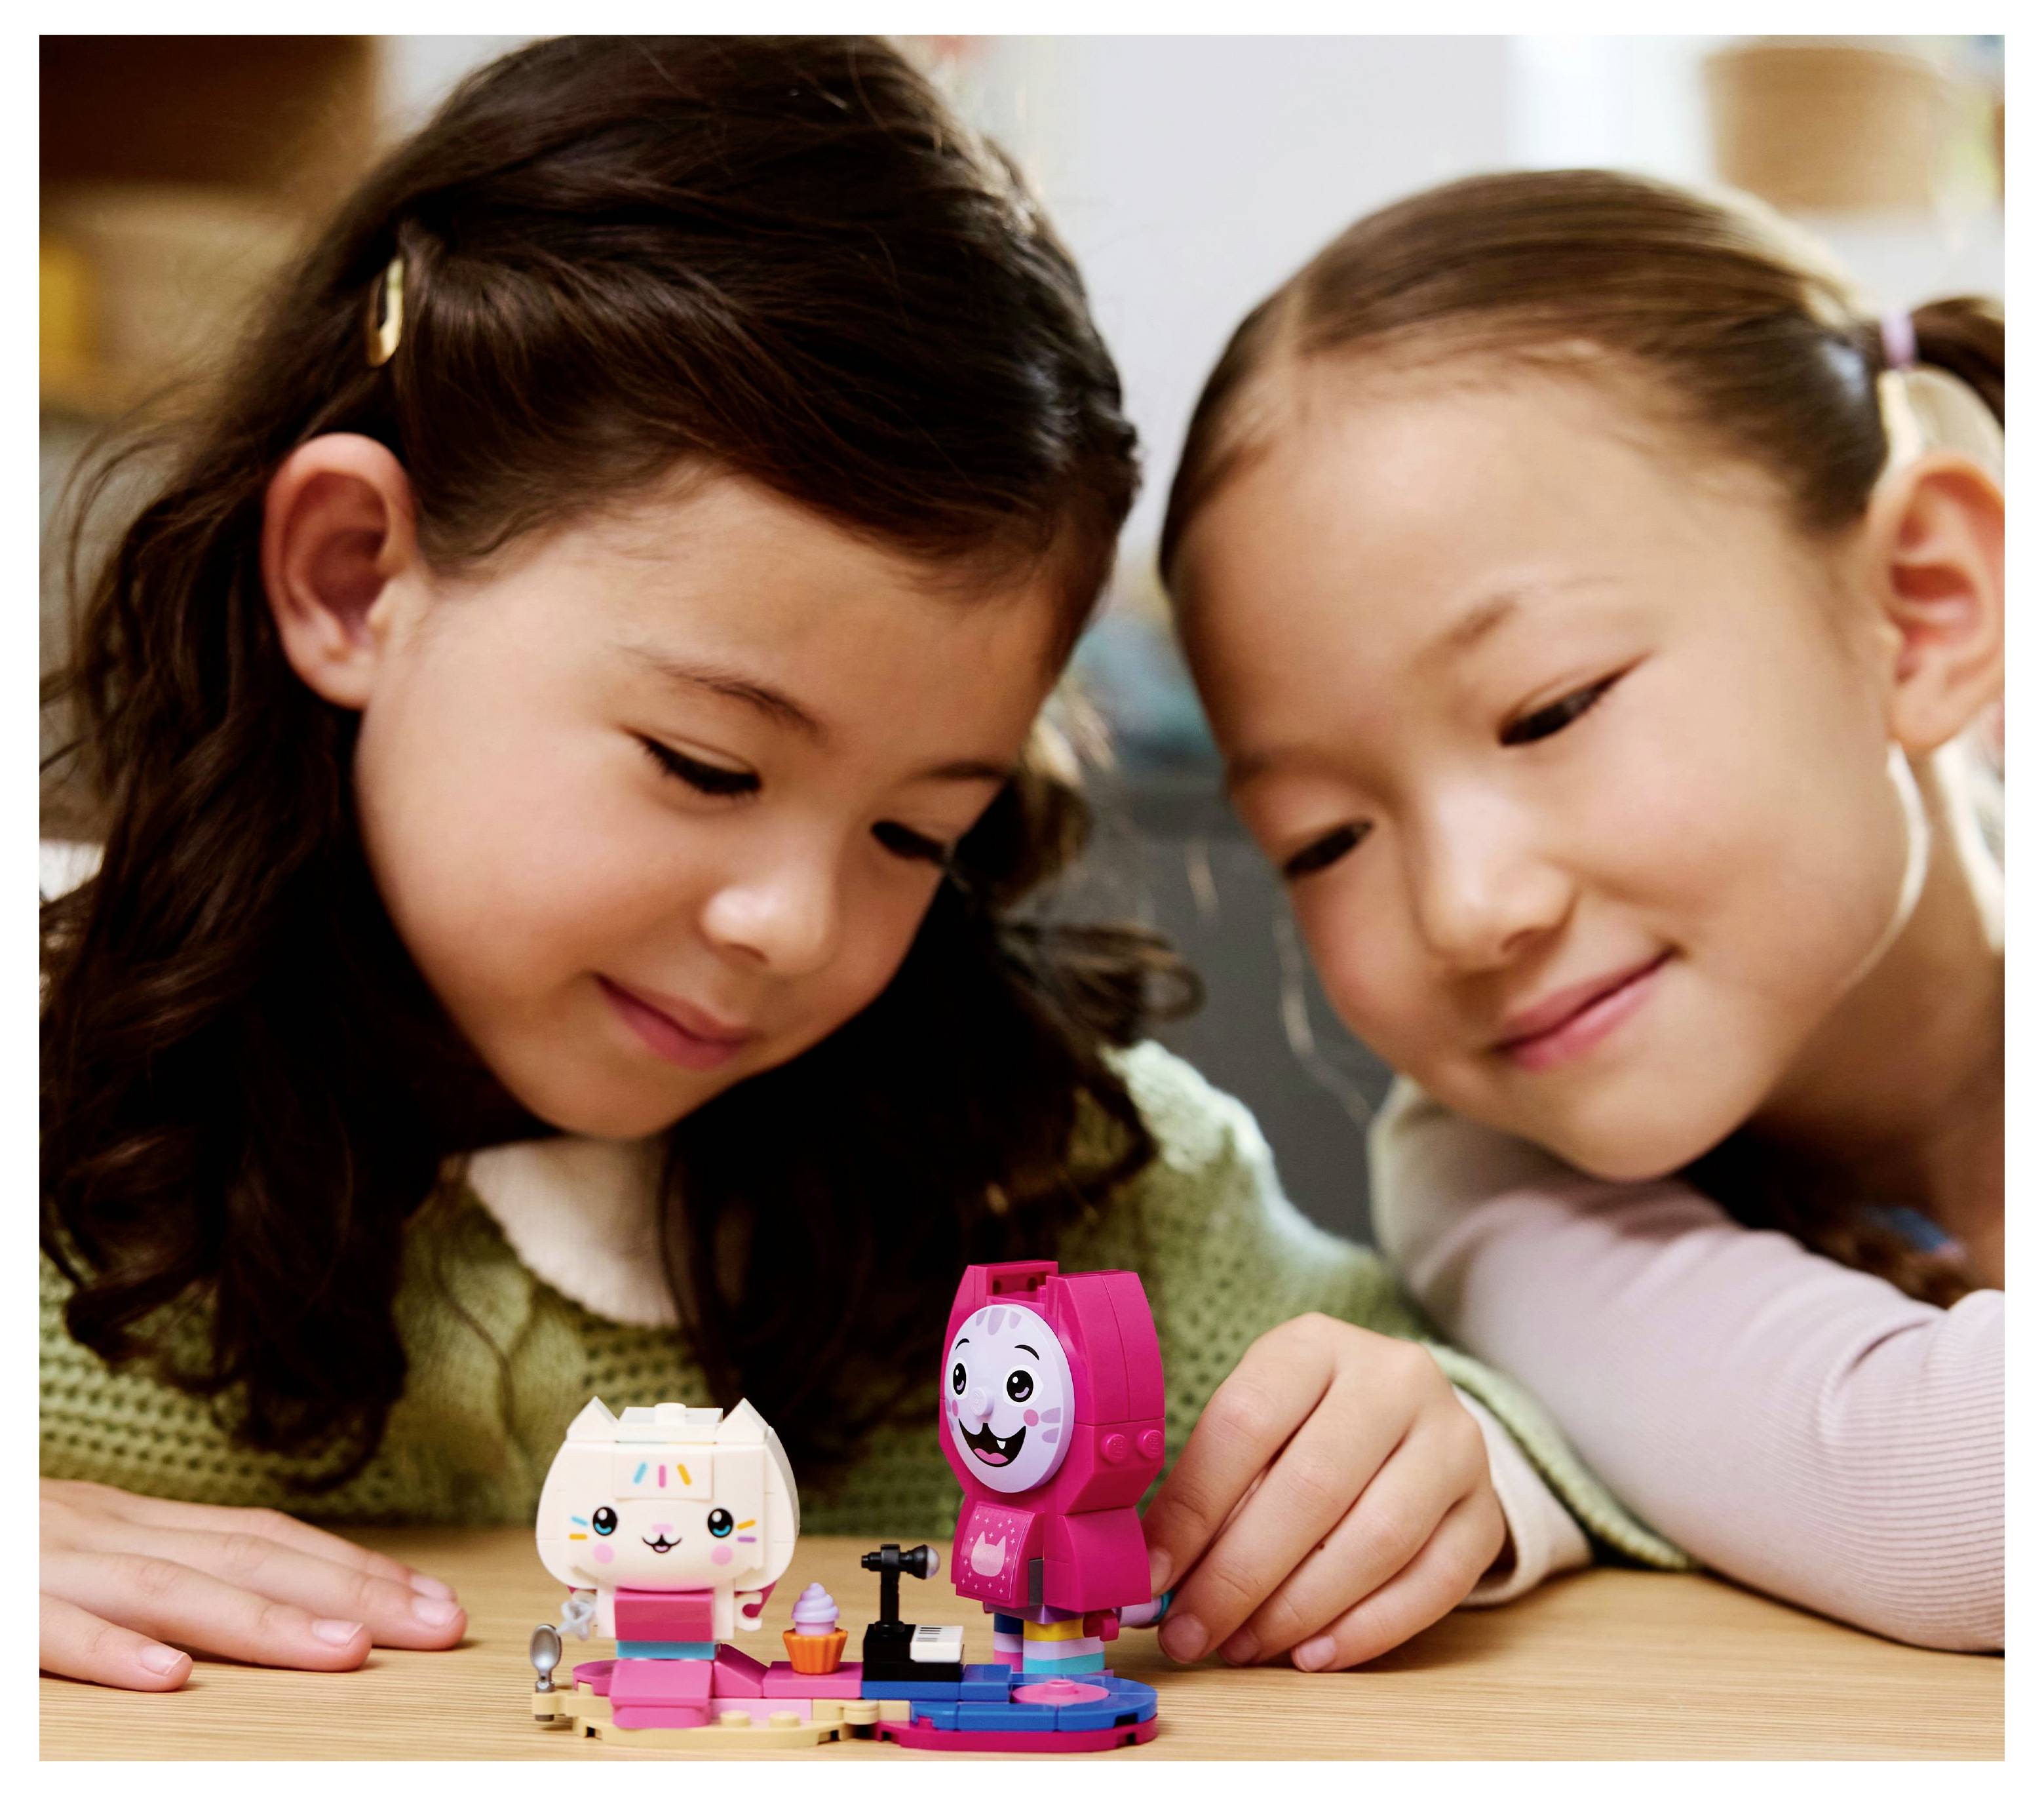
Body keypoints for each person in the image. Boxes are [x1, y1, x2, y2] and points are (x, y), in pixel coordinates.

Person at [39, 43, 1673, 1699]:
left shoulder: (1056, 1192)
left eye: (917, 832)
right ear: (352, 578)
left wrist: (1465, 1454)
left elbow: (1522, 1425)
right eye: (707, 764)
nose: (794, 925)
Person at [1160, 167, 2003, 1652]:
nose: (1467, 906)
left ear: (1921, 606)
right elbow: (1963, 1505)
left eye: (1549, 710)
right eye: (1324, 836)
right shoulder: (1487, 1167)